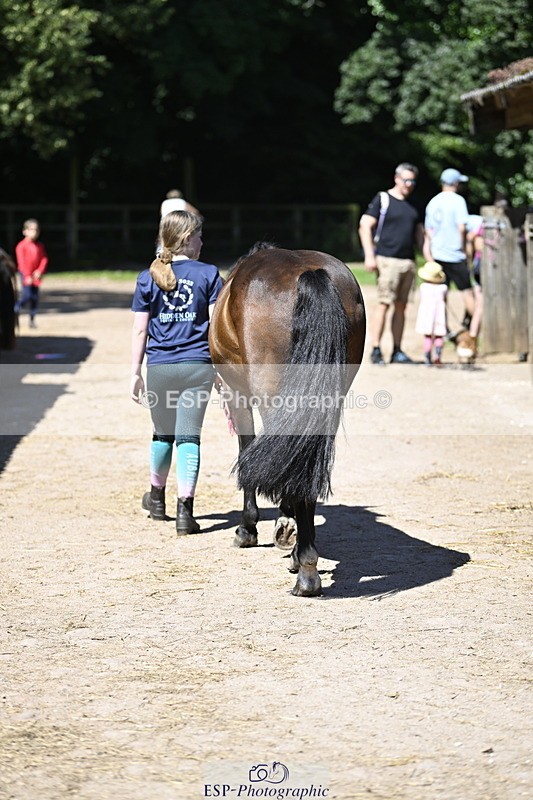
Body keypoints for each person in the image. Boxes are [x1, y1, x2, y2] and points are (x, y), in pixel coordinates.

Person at [131, 211, 223, 534]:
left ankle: (156, 500)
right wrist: (224, 373)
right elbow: (216, 330)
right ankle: (186, 513)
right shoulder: (209, 274)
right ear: (187, 239)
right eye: (198, 236)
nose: (202, 241)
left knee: (162, 435)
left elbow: (140, 332)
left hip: (159, 367)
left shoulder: (147, 277)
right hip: (198, 366)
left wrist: (135, 373)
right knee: (189, 438)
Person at [359, 162, 424, 364]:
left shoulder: (415, 204)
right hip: (387, 260)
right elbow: (364, 225)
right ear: (396, 178)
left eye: (413, 180)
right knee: (384, 304)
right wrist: (370, 255)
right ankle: (376, 349)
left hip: (408, 261)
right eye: (406, 180)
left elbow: (420, 234)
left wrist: (428, 258)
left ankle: (397, 350)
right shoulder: (383, 199)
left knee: (402, 307)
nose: (409, 184)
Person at [423, 168, 475, 336]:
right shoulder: (458, 201)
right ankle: (476, 331)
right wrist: (465, 249)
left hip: (437, 255)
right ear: (456, 183)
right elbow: (462, 227)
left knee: (441, 296)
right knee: (467, 292)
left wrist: (428, 255)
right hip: (455, 255)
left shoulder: (433, 202)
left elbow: (428, 232)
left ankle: (442, 330)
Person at [14, 218, 48, 328]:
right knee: (27, 295)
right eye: (32, 229)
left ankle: (32, 319)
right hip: (26, 274)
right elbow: (22, 262)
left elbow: (44, 258)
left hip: (36, 275)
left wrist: (40, 270)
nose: (35, 232)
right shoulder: (21, 246)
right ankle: (16, 308)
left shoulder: (40, 246)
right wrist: (27, 275)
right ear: (25, 231)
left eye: (36, 230)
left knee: (35, 297)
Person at [415, 261, 448, 366]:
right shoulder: (443, 288)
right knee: (439, 336)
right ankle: (438, 356)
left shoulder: (423, 287)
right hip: (439, 316)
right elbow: (445, 300)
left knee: (428, 337)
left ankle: (427, 357)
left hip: (427, 315)